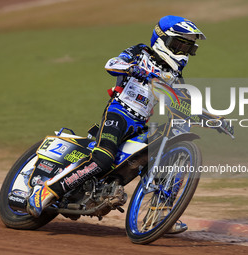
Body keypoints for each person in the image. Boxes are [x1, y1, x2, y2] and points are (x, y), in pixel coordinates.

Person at [26, 16, 231, 230]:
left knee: (163, 153)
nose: (181, 51)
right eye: (178, 44)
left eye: (187, 47)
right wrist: (132, 69)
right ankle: (47, 191)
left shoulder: (174, 76)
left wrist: (216, 121)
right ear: (162, 39)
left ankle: (159, 214)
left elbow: (183, 106)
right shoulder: (141, 52)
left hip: (140, 124)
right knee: (103, 159)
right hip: (119, 114)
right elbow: (112, 64)